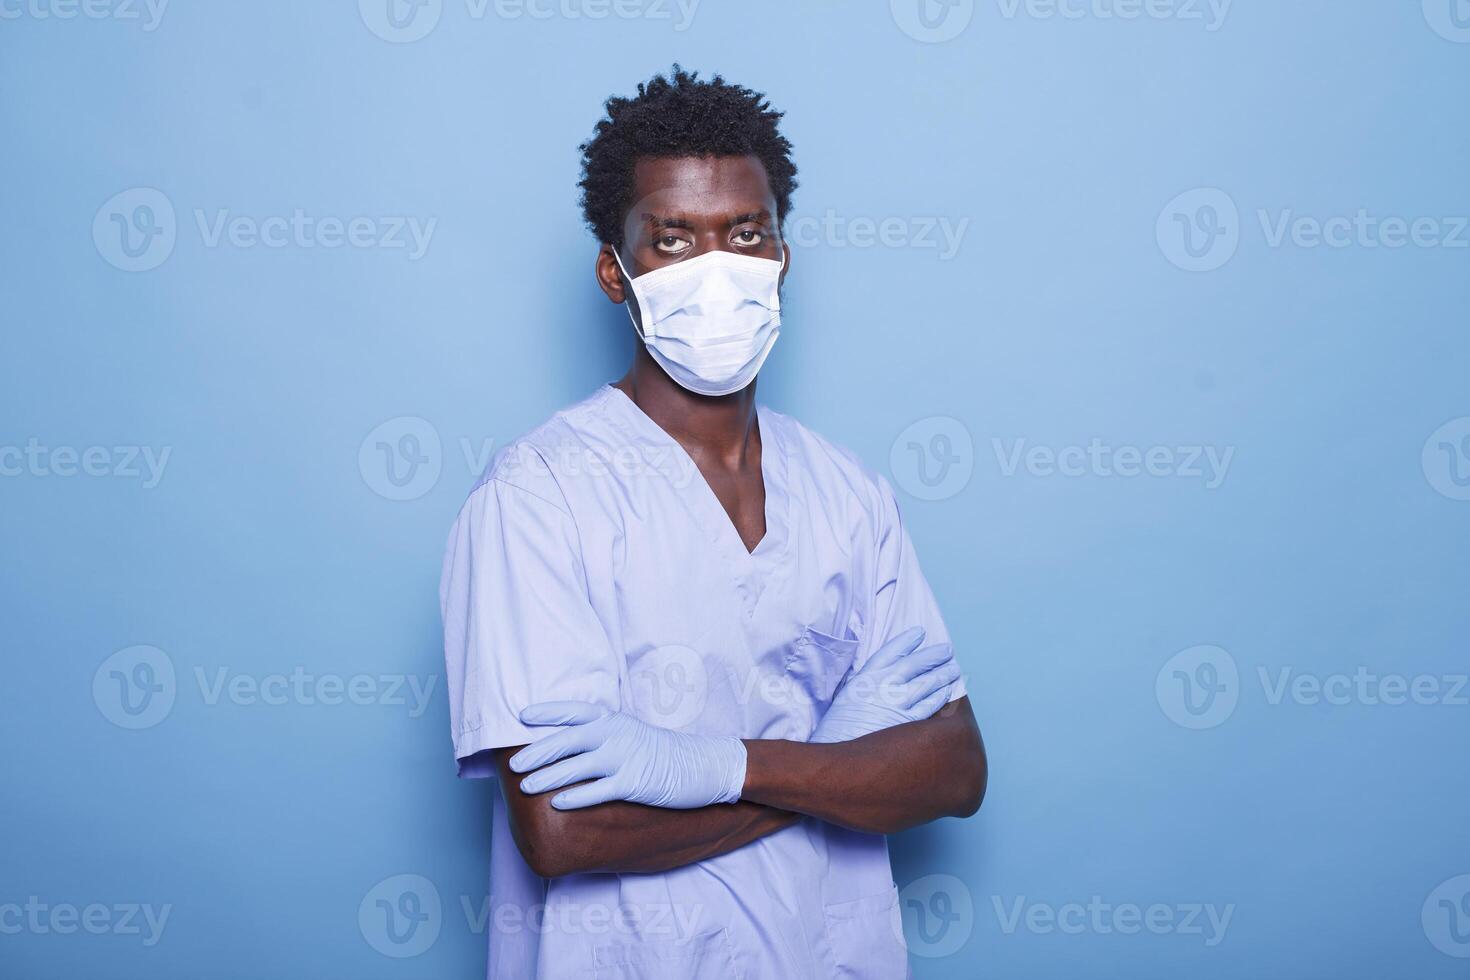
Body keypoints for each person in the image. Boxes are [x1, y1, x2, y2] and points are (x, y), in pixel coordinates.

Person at [440, 66, 987, 980]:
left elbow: (955, 770)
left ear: (782, 256)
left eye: (744, 233)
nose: (717, 271)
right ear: (617, 273)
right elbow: (564, 829)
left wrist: (712, 766)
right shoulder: (538, 500)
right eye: (673, 241)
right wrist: (841, 767)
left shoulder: (850, 495)